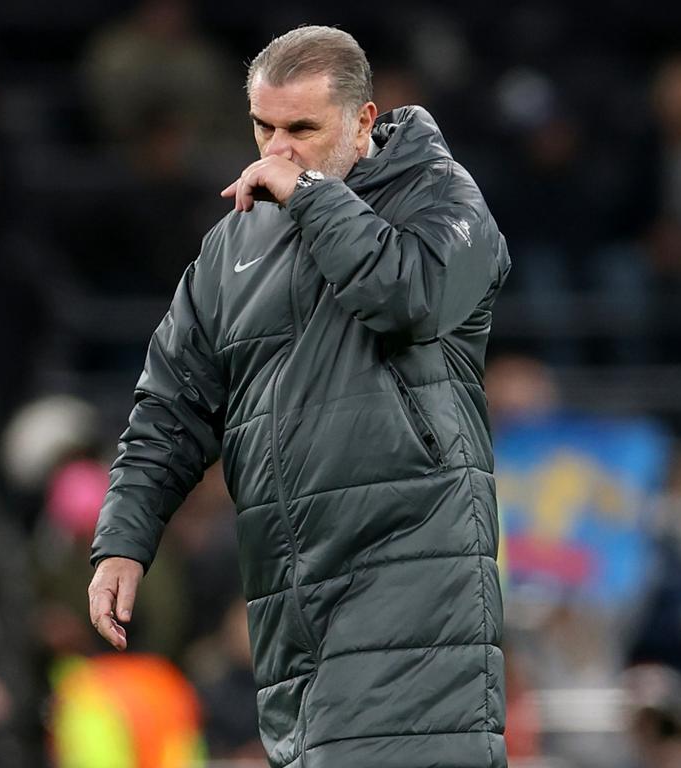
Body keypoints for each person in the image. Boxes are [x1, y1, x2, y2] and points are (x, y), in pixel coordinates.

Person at [88, 25, 511, 768]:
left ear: (364, 120)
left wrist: (313, 199)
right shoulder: (234, 244)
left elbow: (408, 297)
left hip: (414, 585)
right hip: (290, 596)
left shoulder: (444, 196)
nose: (277, 151)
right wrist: (124, 538)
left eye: (301, 130)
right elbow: (172, 401)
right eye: (263, 128)